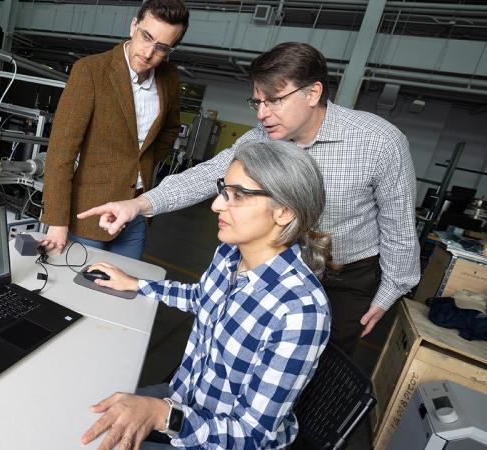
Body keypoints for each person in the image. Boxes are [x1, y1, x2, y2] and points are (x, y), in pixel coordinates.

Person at [78, 42, 420, 356]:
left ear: (314, 92)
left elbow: (399, 227)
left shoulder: (379, 142)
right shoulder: (262, 137)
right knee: (250, 353)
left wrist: (388, 292)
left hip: (343, 276)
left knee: (324, 363)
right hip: (275, 265)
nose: (262, 113)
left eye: (275, 100)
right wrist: (137, 204)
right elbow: (207, 175)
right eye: (257, 102)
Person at [80, 140, 331, 450]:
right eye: (223, 190)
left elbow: (251, 436)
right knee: (85, 413)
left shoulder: (300, 311)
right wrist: (136, 284)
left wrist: (162, 415)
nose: (216, 205)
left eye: (237, 195)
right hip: (184, 399)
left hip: (220, 439)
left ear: (284, 212)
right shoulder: (229, 253)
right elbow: (203, 299)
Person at [39, 0, 189, 260]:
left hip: (135, 213)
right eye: (146, 37)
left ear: (171, 48)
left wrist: (143, 162)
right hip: (89, 212)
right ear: (133, 25)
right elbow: (61, 152)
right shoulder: (91, 71)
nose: (148, 52)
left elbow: (170, 129)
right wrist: (57, 220)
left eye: (162, 48)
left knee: (122, 292)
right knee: (77, 295)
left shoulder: (170, 77)